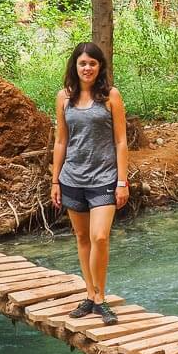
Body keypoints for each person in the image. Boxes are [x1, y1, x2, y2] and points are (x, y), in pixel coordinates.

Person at [51, 42, 129, 325]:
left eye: (92, 64)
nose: (87, 68)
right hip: (72, 178)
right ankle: (90, 294)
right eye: (83, 63)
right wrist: (55, 181)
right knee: (83, 239)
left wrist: (122, 181)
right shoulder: (64, 97)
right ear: (75, 66)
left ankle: (101, 297)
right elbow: (61, 141)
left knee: (100, 237)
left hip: (105, 178)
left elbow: (121, 141)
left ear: (100, 67)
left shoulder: (111, 97)